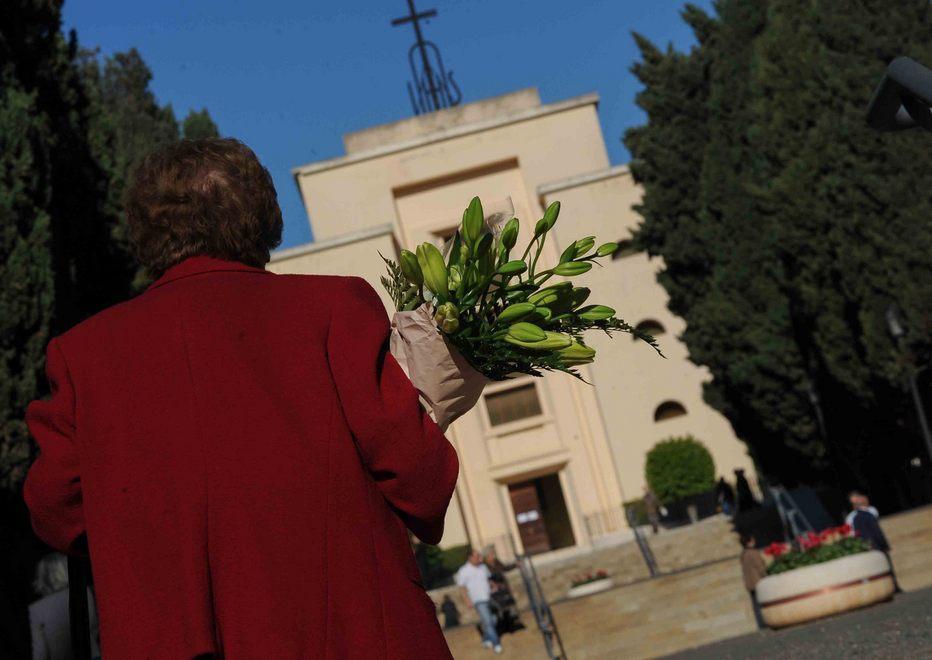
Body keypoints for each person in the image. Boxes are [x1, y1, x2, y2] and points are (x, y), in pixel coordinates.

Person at [23, 138, 459, 659]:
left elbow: (55, 509)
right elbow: (418, 477)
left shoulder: (83, 357)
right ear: (262, 217)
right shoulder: (331, 311)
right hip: (352, 634)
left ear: (143, 232)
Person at [29, 553, 100, 660]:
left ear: (42, 577)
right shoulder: (88, 592)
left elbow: (40, 652)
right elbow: (96, 628)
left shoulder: (36, 609)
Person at [849, 493, 901, 593]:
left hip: (868, 546)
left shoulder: (856, 518)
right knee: (887, 567)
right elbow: (877, 532)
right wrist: (884, 545)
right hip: (877, 545)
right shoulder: (868, 515)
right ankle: (894, 587)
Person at [456, 550, 502, 654]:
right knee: (489, 622)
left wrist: (494, 586)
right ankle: (496, 644)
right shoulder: (464, 571)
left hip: (489, 597)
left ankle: (486, 639)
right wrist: (467, 600)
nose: (479, 558)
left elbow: (488, 580)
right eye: (477, 556)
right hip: (478, 600)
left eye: (479, 556)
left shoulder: (483, 567)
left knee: (493, 619)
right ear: (470, 558)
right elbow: (462, 588)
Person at [739, 534, 767, 629]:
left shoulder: (743, 554)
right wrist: (766, 575)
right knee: (762, 603)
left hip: (750, 583)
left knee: (755, 605)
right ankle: (764, 622)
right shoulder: (753, 553)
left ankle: (760, 623)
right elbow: (760, 567)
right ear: (750, 541)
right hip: (758, 581)